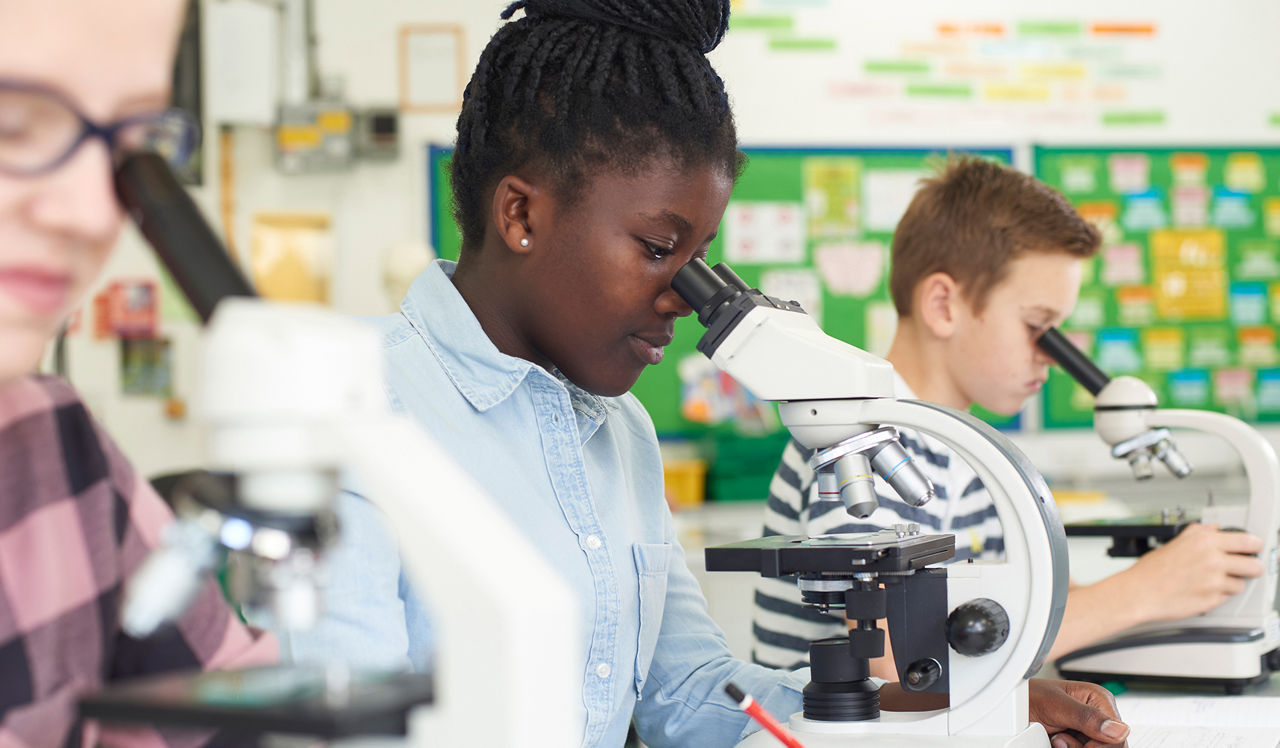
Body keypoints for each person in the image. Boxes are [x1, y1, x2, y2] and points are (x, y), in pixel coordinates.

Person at [275, 3, 1130, 746]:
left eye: (699, 259)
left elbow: (690, 698)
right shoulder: (349, 407)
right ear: (521, 214)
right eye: (658, 248)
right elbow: (343, 726)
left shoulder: (622, 435)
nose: (685, 295)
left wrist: (963, 713)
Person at [751, 156, 1267, 679]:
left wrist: (1178, 589)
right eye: (1038, 326)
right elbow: (901, 657)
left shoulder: (965, 449)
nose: (1052, 354)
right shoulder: (857, 440)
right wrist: (1142, 592)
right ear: (944, 306)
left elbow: (1005, 612)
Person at [0, 1, 275, 744]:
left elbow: (232, 712)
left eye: (129, 145)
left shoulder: (56, 446)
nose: (95, 215)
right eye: (12, 124)